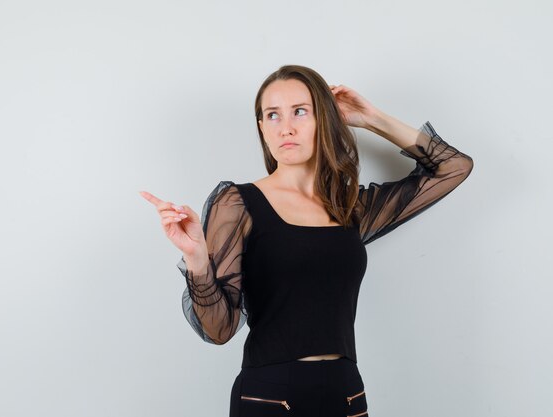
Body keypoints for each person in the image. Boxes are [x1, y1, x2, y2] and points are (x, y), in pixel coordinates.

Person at [140, 65, 474, 417]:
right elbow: (219, 329)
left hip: (346, 393)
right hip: (270, 396)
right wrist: (196, 259)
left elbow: (454, 167)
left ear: (324, 121)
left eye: (300, 111)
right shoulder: (238, 203)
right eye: (273, 115)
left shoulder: (350, 208)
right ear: (262, 128)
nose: (286, 127)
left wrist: (371, 118)